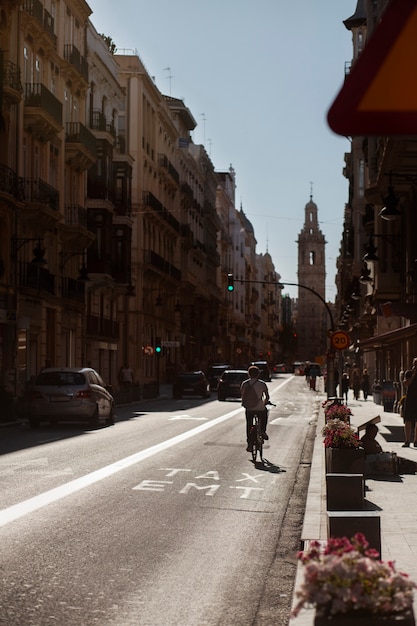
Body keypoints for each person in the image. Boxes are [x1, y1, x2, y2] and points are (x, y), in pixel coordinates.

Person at [240, 365, 270, 451]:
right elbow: (267, 397)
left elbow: (242, 395)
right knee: (264, 413)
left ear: (248, 374)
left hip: (249, 408)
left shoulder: (245, 384)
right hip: (260, 407)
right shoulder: (262, 384)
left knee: (249, 425)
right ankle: (263, 431)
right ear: (258, 374)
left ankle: (249, 444)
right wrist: (264, 402)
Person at [402, 357, 417, 447]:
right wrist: (413, 375)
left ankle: (416, 440)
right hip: (410, 399)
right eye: (415, 364)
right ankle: (407, 440)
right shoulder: (409, 373)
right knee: (408, 420)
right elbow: (405, 384)